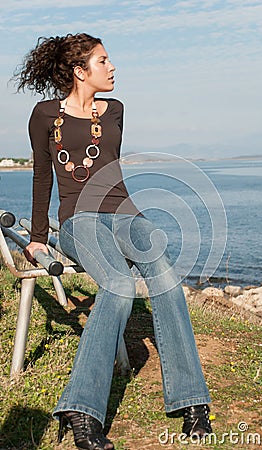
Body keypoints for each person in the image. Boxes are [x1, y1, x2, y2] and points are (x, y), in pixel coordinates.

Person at [14, 33, 212, 450]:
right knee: (119, 285)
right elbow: (41, 177)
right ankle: (82, 409)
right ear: (79, 70)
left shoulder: (115, 110)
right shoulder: (44, 115)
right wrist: (35, 239)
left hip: (128, 214)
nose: (113, 67)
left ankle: (192, 403)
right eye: (104, 61)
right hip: (79, 220)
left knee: (167, 278)